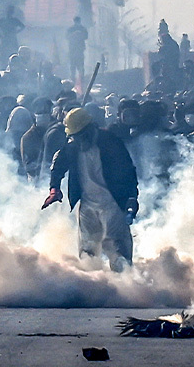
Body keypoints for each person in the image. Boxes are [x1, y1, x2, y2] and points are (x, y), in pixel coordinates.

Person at [42, 107, 139, 270]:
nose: (78, 140)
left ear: (90, 129)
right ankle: (92, 284)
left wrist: (132, 197)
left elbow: (128, 171)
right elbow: (58, 165)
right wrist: (54, 188)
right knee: (87, 248)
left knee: (117, 247)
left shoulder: (111, 142)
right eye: (74, 137)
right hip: (87, 204)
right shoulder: (73, 145)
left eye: (80, 136)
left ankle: (125, 284)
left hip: (112, 203)